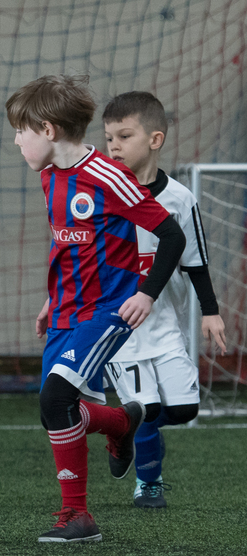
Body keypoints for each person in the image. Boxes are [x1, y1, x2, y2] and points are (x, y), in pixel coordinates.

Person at [5, 75, 188, 543]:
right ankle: (121, 422)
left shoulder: (109, 177)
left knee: (55, 400)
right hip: (64, 311)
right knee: (54, 412)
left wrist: (146, 293)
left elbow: (172, 236)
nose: (16, 140)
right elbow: (70, 247)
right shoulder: (49, 176)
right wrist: (51, 299)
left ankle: (78, 516)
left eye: (21, 131)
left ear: (48, 130)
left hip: (107, 309)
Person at [101, 91, 227, 508]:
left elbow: (196, 261)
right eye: (109, 138)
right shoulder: (102, 194)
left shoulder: (178, 198)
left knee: (185, 409)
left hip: (165, 322)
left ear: (155, 139)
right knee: (147, 407)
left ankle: (132, 429)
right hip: (119, 328)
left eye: (124, 136)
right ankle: (148, 483)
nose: (114, 146)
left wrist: (210, 311)